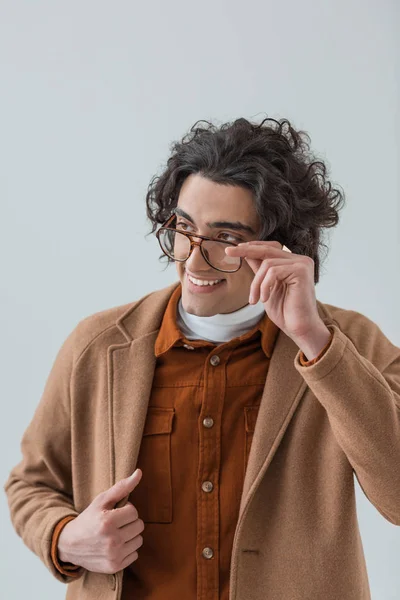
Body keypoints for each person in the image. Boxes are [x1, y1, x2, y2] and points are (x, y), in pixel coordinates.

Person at [4, 116, 400, 600]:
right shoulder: (98, 346)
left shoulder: (350, 344)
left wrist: (315, 341)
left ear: (282, 246)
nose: (193, 261)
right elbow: (31, 482)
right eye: (184, 228)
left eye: (227, 240)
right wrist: (65, 537)